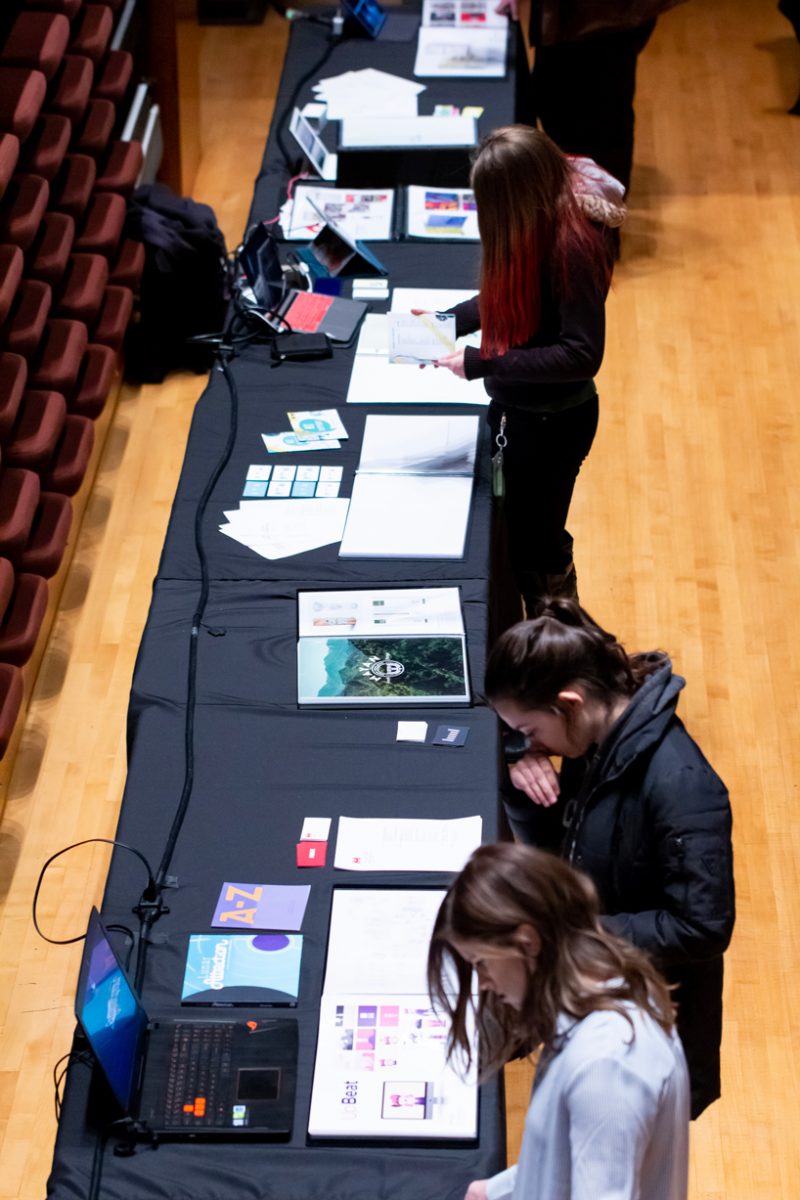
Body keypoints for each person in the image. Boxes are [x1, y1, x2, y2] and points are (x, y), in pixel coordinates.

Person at [483, 598, 735, 1118]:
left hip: (651, 1030)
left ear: (570, 702)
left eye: (529, 732)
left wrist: (576, 934)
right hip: (598, 998)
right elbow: (568, 854)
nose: (527, 745)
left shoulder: (684, 789)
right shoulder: (597, 738)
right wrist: (525, 792)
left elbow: (703, 926)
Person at [428, 842, 690, 1200]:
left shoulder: (605, 1065)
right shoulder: (599, 991)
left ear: (528, 942)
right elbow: (570, 1153)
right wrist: (494, 1190)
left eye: (481, 963)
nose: (484, 982)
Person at [426, 126, 616, 614]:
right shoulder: (539, 222)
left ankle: (567, 653)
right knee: (519, 539)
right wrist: (451, 322)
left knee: (541, 545)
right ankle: (536, 647)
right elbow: (516, 290)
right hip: (522, 414)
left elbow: (581, 354)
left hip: (553, 425)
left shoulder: (571, 248)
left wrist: (481, 362)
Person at [496, 0, 689, 193]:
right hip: (585, 18)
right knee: (558, 105)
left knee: (591, 121)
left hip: (599, 19)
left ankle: (597, 216)